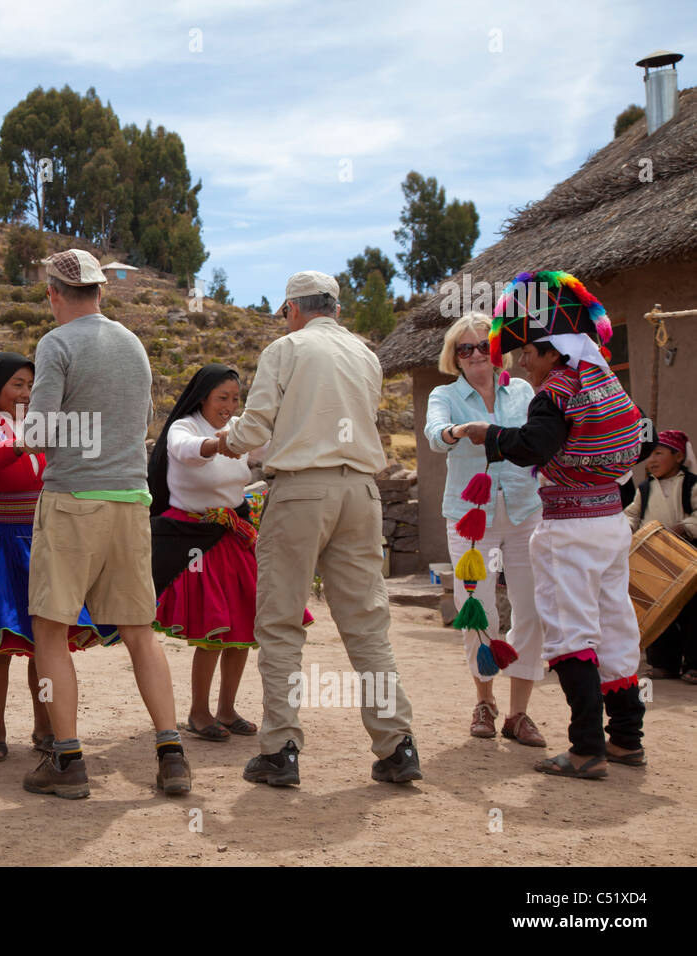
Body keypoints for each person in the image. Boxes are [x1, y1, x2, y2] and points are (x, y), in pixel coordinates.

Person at [216, 271, 420, 787]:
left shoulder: (285, 350)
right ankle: (397, 745)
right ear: (333, 306)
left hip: (302, 491)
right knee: (368, 624)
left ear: (291, 309)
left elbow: (256, 428)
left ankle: (280, 747)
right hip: (362, 492)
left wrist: (224, 440)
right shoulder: (365, 354)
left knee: (281, 622)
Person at [20, 248, 191, 800]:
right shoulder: (132, 344)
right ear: (101, 290)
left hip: (73, 499)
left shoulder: (57, 344)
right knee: (140, 631)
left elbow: (40, 433)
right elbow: (140, 421)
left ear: (53, 293)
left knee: (51, 629)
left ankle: (67, 760)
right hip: (130, 500)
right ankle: (171, 753)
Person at [461, 269, 646, 779]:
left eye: (529, 351)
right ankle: (627, 739)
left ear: (553, 350)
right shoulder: (608, 383)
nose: (523, 361)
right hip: (611, 522)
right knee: (614, 628)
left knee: (570, 632)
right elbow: (638, 441)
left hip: (568, 529)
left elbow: (535, 446)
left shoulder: (557, 391)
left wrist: (490, 434)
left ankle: (586, 748)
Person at [0, 352, 117, 762]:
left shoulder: (40, 425)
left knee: (42, 641)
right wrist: (23, 441)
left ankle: (45, 726)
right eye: (18, 384)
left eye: (32, 385)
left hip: (36, 542)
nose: (26, 393)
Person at [148, 364, 309, 741]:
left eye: (235, 399)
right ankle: (199, 712)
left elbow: (272, 446)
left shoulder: (240, 427)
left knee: (243, 626)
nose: (230, 405)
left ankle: (227, 708)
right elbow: (188, 452)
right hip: (192, 537)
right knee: (213, 629)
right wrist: (223, 443)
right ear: (202, 397)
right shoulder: (183, 428)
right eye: (223, 398)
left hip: (234, 534)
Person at [424, 313, 547, 746]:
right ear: (454, 358)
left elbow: (539, 437)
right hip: (469, 517)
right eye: (465, 348)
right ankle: (485, 699)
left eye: (483, 346)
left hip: (525, 511)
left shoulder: (524, 391)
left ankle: (519, 713)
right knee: (477, 608)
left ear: (497, 351)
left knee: (530, 608)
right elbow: (435, 435)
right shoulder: (445, 394)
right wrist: (461, 430)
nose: (476, 354)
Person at [624, 429, 697, 683]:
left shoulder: (691, 485)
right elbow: (633, 515)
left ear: (678, 456)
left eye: (659, 453)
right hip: (654, 561)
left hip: (687, 561)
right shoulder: (644, 489)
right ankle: (663, 664)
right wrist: (625, 530)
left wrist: (684, 526)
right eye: (650, 454)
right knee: (657, 612)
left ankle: (693, 665)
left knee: (691, 614)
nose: (652, 460)